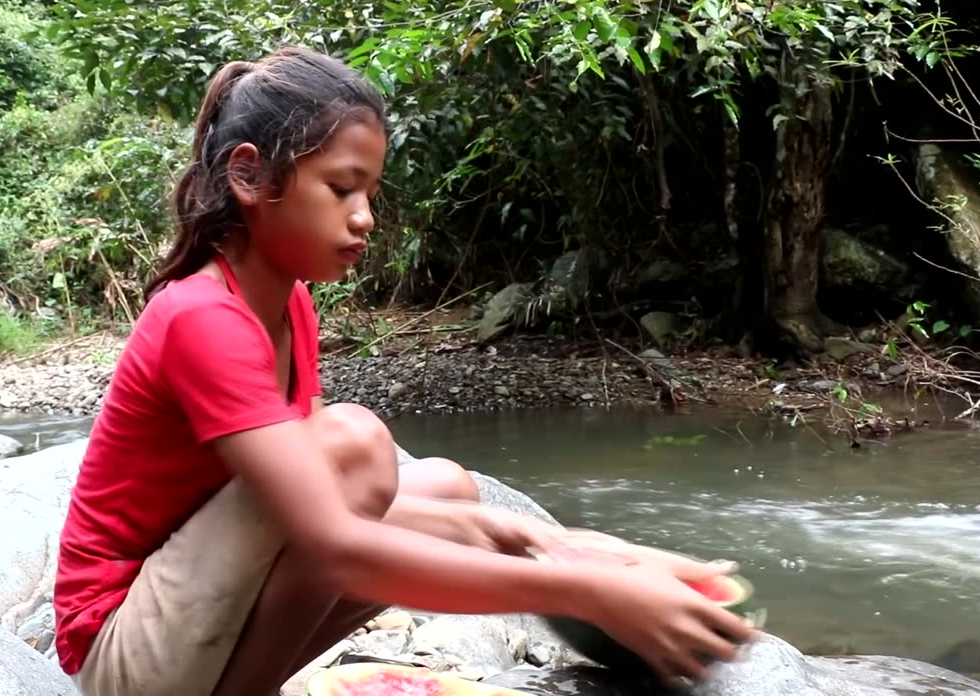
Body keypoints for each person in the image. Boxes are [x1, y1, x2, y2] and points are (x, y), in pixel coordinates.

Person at [52, 46, 756, 696]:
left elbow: (315, 512)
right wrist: (583, 593)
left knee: (447, 486)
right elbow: (332, 543)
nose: (365, 218)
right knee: (354, 446)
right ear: (248, 175)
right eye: (341, 188)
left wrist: (548, 541)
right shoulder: (202, 317)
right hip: (123, 651)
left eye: (371, 194)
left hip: (187, 607)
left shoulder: (290, 303)